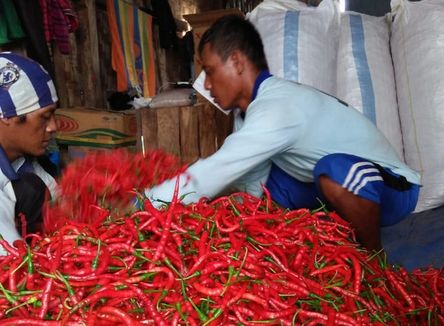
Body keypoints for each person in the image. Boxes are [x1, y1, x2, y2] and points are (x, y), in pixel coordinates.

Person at [146, 15, 421, 252]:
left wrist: (149, 202)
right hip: (329, 182)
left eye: (209, 71)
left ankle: (374, 261)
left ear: (237, 62)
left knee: (334, 171)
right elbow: (250, 185)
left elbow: (220, 166)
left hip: (392, 186)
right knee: (268, 186)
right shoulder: (249, 115)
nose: (206, 84)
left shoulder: (276, 107)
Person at [0, 52, 58, 253]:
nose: (53, 127)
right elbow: (9, 261)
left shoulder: (29, 162)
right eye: (45, 117)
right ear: (8, 116)